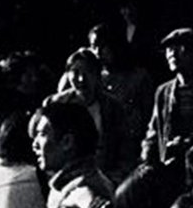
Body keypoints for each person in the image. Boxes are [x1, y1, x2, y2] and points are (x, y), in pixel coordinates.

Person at [49, 49, 131, 185]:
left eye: (88, 72)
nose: (81, 79)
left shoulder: (113, 107)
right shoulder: (56, 105)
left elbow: (125, 150)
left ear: (98, 75)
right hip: (65, 178)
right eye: (75, 72)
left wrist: (115, 179)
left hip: (105, 177)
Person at [88, 22, 154, 175]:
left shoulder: (138, 77)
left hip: (131, 151)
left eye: (103, 46)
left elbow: (148, 118)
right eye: (93, 46)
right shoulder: (93, 79)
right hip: (101, 153)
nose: (97, 52)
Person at [141, 27, 193, 167]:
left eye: (180, 47)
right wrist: (147, 152)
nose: (172, 54)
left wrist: (187, 143)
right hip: (170, 165)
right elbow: (154, 131)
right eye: (168, 49)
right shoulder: (163, 92)